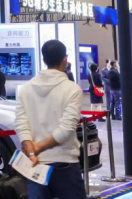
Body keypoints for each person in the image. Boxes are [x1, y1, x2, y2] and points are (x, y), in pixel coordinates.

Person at [13, 39, 85, 199]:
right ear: (65, 60)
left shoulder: (25, 89)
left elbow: (21, 123)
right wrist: (38, 147)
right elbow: (66, 129)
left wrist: (32, 150)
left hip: (35, 164)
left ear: (44, 59)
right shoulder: (72, 89)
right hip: (64, 163)